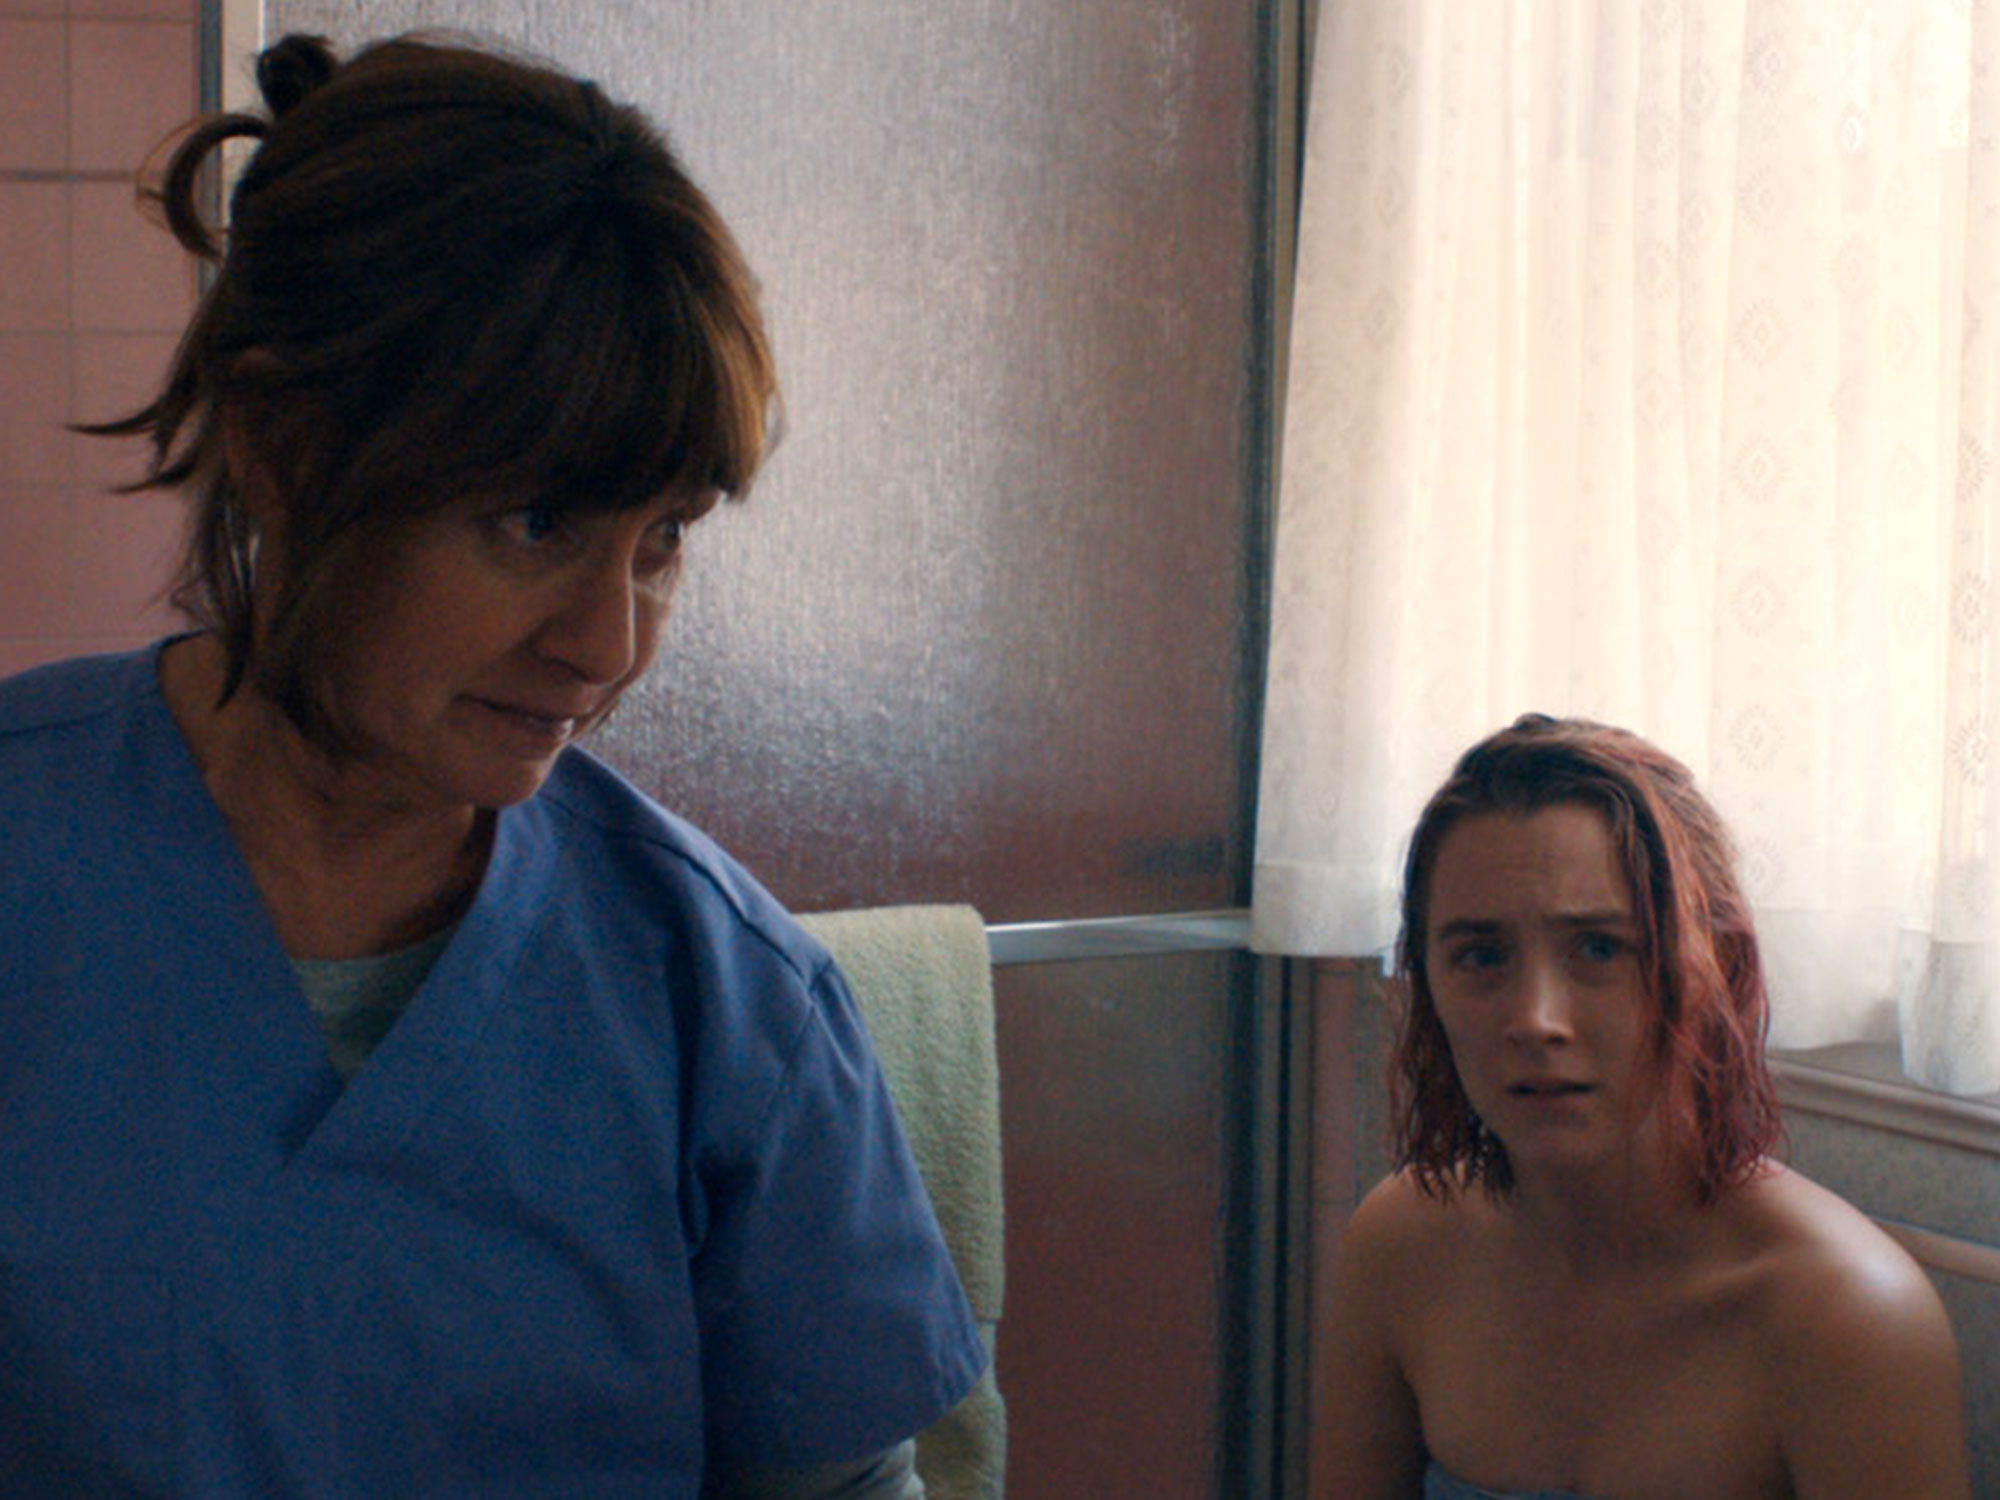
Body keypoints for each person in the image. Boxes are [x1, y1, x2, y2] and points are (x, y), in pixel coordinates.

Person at [0, 32, 984, 1499]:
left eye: (664, 540)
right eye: (534, 524)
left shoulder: (722, 1003)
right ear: (282, 450)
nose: (609, 642)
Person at [1313, 715, 1969, 1500]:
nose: (1536, 1020)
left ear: (1716, 966)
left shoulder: (1846, 1316)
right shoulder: (1401, 1248)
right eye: (1481, 956)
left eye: (1599, 948)